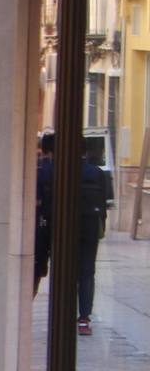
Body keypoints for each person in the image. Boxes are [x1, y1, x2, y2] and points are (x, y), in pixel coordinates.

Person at [78, 143, 114, 336]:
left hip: (67, 229)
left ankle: (63, 315)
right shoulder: (97, 173)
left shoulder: (63, 171)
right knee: (87, 273)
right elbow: (104, 203)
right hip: (91, 228)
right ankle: (84, 318)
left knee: (66, 274)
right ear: (86, 152)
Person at [34, 131, 54, 291]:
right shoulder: (68, 170)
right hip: (62, 225)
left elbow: (36, 201)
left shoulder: (41, 170)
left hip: (42, 223)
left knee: (38, 265)